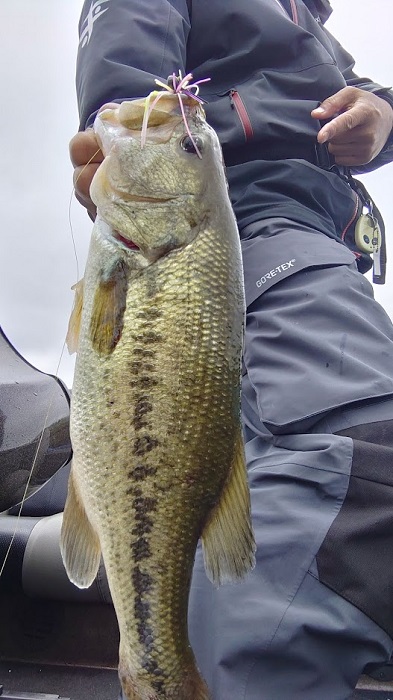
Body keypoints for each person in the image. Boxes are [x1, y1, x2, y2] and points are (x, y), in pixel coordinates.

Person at [70, 1, 393, 698]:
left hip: (278, 257)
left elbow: (360, 93)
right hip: (258, 237)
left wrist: (378, 114)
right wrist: (121, 118)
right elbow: (128, 61)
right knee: (359, 473)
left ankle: (167, 665)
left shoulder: (306, 21)